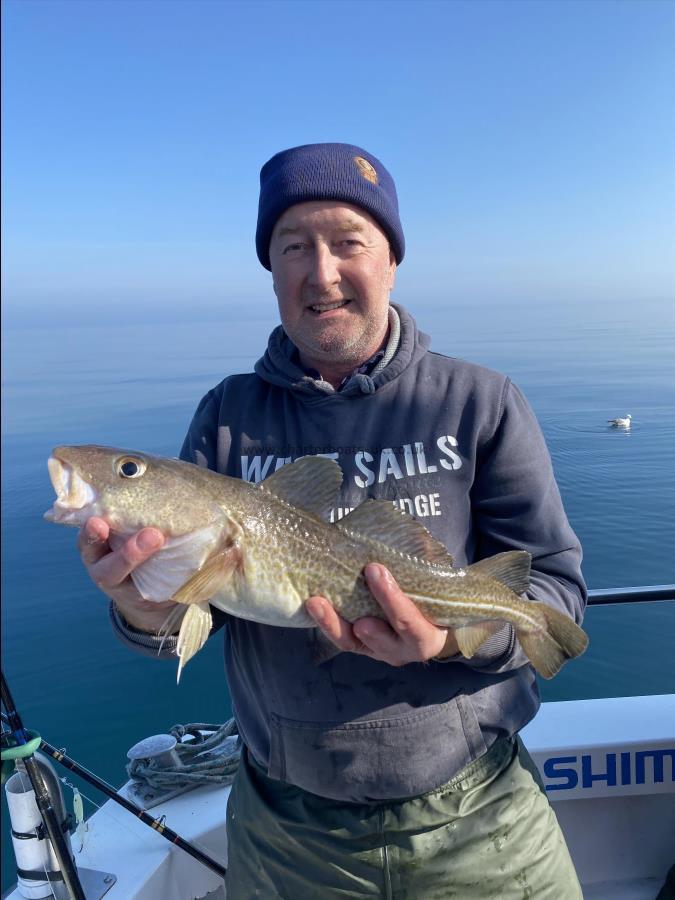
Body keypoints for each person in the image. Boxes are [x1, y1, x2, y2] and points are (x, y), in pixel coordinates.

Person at [79, 143, 587, 898]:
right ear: (271, 270)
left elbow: (556, 597)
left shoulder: (481, 402)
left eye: (348, 242)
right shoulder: (226, 417)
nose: (321, 273)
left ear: (390, 259)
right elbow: (192, 614)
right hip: (289, 829)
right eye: (293, 247)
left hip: (479, 819)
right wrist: (141, 602)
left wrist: (452, 639)